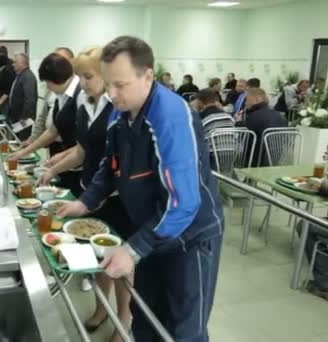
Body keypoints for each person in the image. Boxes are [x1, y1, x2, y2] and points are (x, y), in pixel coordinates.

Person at [57, 36, 224, 342]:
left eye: (120, 84)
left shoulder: (170, 117)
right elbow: (110, 166)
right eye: (108, 84)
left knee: (184, 328)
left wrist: (133, 249)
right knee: (145, 315)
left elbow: (182, 203)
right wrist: (85, 202)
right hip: (151, 230)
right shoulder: (120, 114)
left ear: (148, 76)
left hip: (190, 239)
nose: (112, 93)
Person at [37, 47, 135, 340]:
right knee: (96, 258)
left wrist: (104, 191)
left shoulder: (118, 109)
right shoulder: (85, 107)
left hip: (118, 200)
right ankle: (100, 308)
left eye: (88, 76)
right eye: (79, 75)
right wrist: (53, 170)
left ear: (105, 76)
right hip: (91, 192)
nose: (82, 82)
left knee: (119, 264)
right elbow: (82, 151)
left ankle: (124, 319)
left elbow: (126, 161)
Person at [10, 53, 83, 195]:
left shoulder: (81, 94)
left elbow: (85, 144)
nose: (47, 87)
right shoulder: (60, 95)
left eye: (47, 83)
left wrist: (60, 160)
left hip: (80, 164)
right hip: (67, 158)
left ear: (54, 79)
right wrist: (24, 152)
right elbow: (52, 130)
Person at [27, 47, 76, 146]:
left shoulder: (78, 90)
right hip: (52, 143)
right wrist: (33, 139)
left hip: (68, 145)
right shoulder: (52, 87)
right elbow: (43, 118)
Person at [236, 87, 288, 166]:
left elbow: (242, 136)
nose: (245, 103)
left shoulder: (254, 116)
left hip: (255, 162)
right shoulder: (280, 116)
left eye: (247, 100)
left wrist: (238, 122)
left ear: (256, 99)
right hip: (275, 161)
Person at [197, 88, 236, 171]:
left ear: (200, 102)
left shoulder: (201, 118)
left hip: (212, 158)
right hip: (233, 156)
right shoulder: (228, 117)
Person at [5, 53, 38, 140]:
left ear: (22, 63)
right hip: (17, 118)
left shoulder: (28, 77)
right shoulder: (21, 75)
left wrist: (24, 121)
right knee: (17, 140)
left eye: (15, 62)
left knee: (22, 141)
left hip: (24, 120)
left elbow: (30, 100)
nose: (13, 64)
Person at [0, 46, 17, 115]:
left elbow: (8, 88)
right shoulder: (5, 70)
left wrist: (0, 101)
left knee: (5, 116)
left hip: (8, 101)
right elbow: (2, 85)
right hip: (4, 99)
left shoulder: (8, 71)